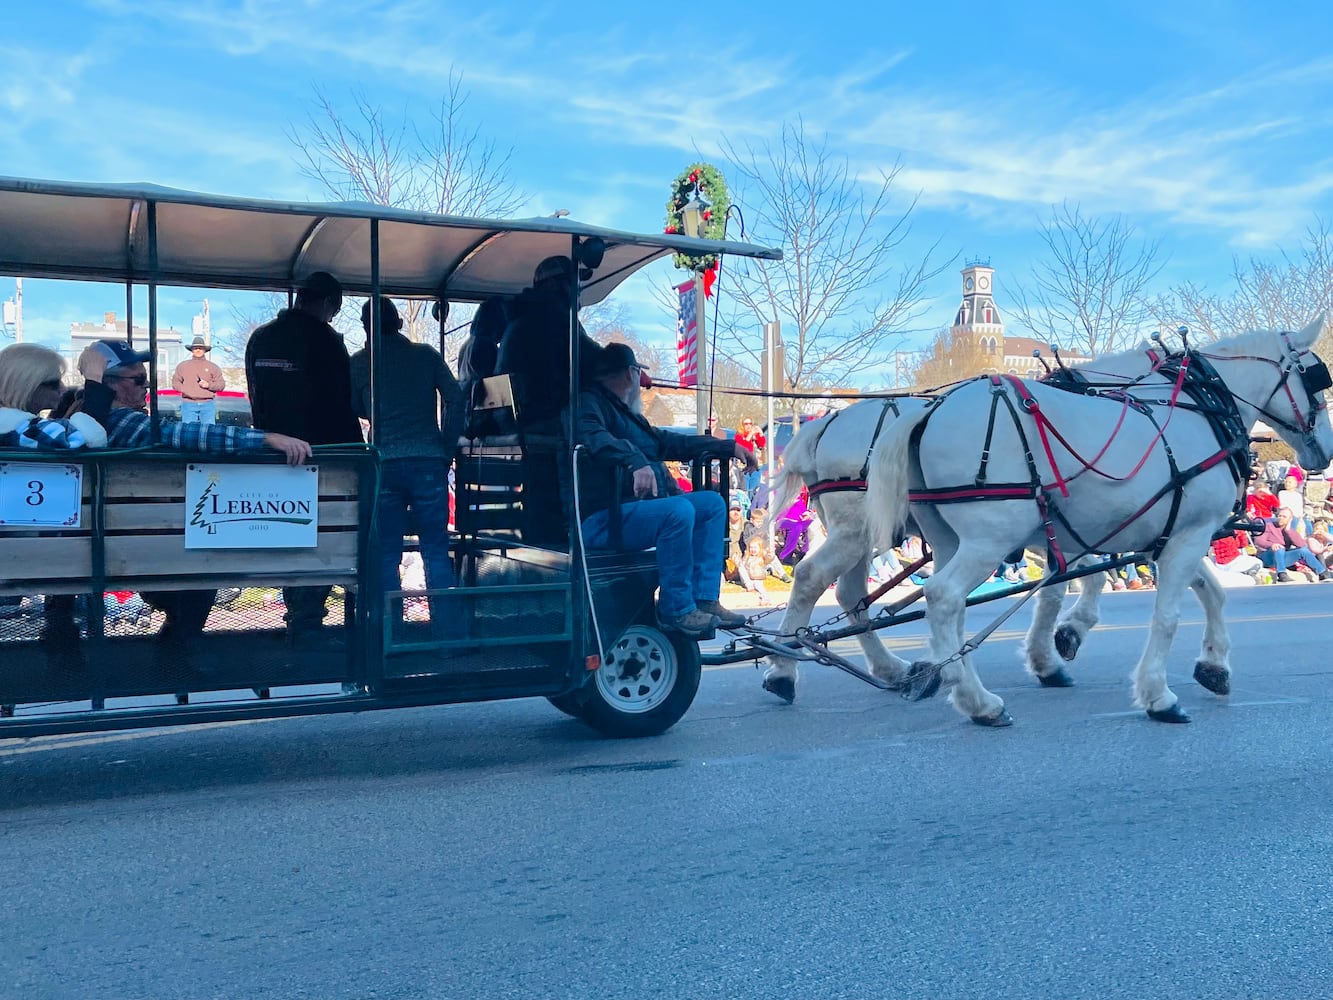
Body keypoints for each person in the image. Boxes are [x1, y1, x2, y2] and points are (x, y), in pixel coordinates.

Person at [70, 340, 315, 694]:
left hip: (122, 538)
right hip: (126, 545)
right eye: (138, 380)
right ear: (111, 385)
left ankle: (173, 658)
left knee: (196, 578)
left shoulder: (89, 418)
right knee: (199, 579)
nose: (146, 387)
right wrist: (267, 438)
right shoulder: (120, 421)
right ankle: (173, 663)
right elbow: (182, 434)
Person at [576, 342, 758, 637]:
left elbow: (669, 442)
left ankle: (705, 599)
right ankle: (675, 608)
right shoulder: (589, 404)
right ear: (631, 374)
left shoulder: (626, 413)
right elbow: (594, 437)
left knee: (711, 504)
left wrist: (728, 446)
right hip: (602, 517)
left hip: (630, 513)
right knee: (679, 509)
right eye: (638, 374)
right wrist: (634, 460)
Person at [245, 271, 362, 638]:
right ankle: (308, 621)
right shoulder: (325, 340)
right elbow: (340, 403)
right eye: (335, 310)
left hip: (274, 455)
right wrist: (355, 453)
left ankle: (296, 612)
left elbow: (256, 401)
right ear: (327, 303)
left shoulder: (260, 339)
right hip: (324, 457)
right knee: (323, 539)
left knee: (289, 537)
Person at [350, 297, 464, 635]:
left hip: (384, 461)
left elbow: (354, 405)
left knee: (387, 553)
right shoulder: (425, 355)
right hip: (429, 460)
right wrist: (446, 446)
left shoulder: (359, 363)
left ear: (366, 327)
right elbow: (455, 398)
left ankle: (390, 637)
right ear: (399, 323)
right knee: (435, 550)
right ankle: (448, 636)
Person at [494, 255, 603, 427]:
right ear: (551, 284)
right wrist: (622, 363)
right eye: (571, 282)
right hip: (543, 416)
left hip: (517, 418)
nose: (578, 289)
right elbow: (594, 360)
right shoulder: (552, 316)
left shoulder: (524, 317)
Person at [0, 343, 107, 449]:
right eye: (54, 383)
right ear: (27, 386)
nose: (64, 389)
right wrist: (95, 382)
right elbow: (85, 439)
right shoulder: (23, 429)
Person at [1252, 507, 1333, 582]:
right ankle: (1282, 574)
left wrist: (1288, 530)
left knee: (1303, 551)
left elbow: (1302, 545)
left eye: (1284, 517)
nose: (1280, 518)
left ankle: (1322, 573)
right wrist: (1272, 545)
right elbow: (1258, 541)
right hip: (1267, 556)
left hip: (1282, 557)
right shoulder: (1269, 526)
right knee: (1279, 548)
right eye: (1279, 516)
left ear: (1290, 519)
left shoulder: (1289, 530)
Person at [172, 335, 226, 425]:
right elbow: (175, 383)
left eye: (200, 348)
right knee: (188, 433)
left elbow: (221, 385)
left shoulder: (213, 367)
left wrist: (208, 385)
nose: (198, 350)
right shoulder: (183, 366)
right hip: (188, 404)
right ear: (192, 350)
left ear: (204, 350)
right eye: (195, 348)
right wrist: (186, 389)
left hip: (208, 404)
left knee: (208, 433)